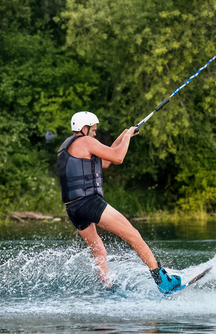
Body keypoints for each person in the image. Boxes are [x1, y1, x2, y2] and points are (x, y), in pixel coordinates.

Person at [57, 111, 182, 295]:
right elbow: (118, 158)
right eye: (93, 130)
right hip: (90, 203)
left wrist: (123, 137)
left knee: (99, 252)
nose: (95, 134)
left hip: (74, 208)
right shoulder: (86, 141)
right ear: (84, 128)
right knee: (133, 235)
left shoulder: (67, 146)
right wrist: (128, 138)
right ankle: (162, 280)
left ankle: (107, 288)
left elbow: (106, 161)